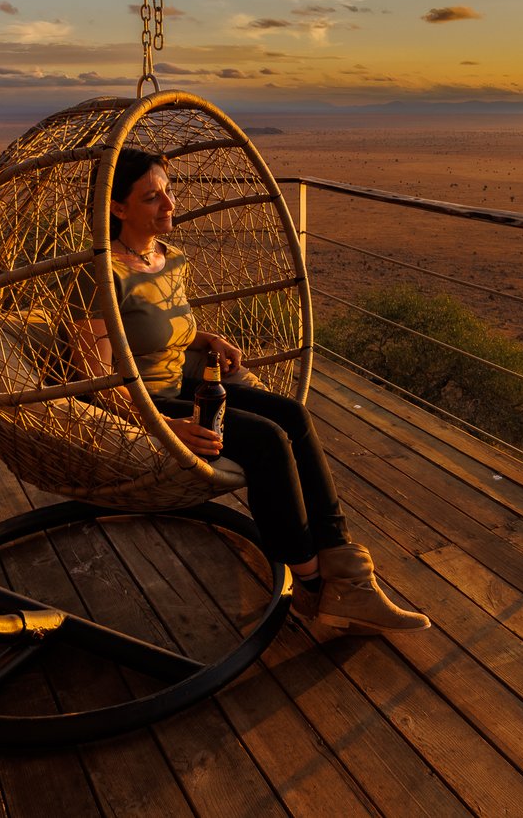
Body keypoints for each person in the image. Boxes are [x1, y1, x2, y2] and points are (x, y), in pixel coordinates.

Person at [69, 147, 428, 634]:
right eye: (153, 198)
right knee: (264, 440)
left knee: (292, 417)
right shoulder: (101, 274)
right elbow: (94, 378)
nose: (170, 205)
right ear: (118, 208)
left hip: (185, 387)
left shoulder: (170, 259)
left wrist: (206, 337)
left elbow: (156, 330)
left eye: (169, 192)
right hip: (148, 403)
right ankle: (315, 585)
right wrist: (161, 424)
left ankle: (348, 575)